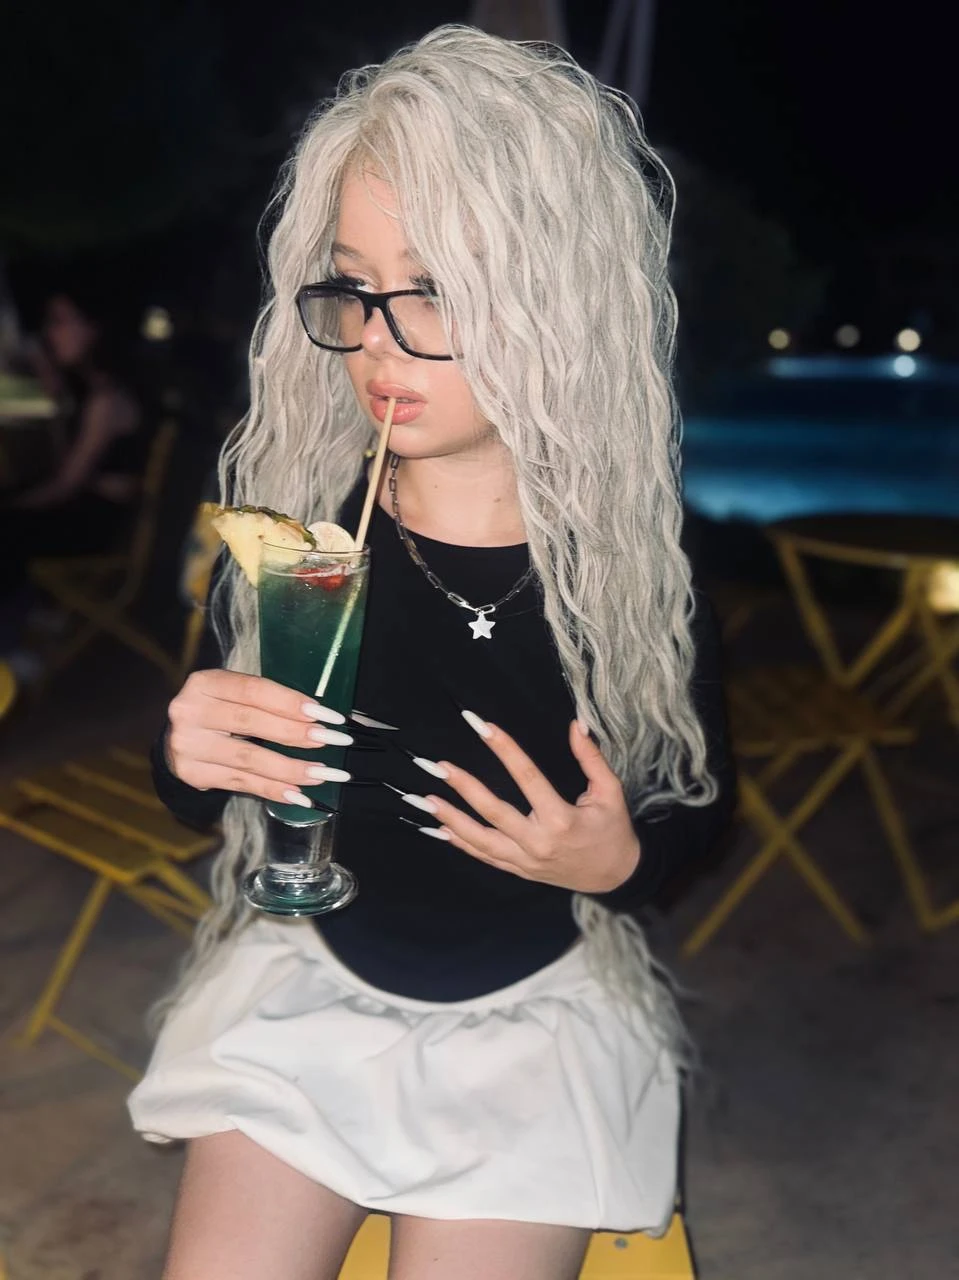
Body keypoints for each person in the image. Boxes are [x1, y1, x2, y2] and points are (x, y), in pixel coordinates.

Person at [129, 26, 735, 1280]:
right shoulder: (299, 542)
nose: (377, 340)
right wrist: (185, 750)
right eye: (355, 287)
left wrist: (619, 856)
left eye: (436, 291)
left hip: (535, 1016)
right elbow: (206, 789)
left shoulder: (626, 573)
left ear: (553, 298)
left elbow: (698, 801)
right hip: (306, 991)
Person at [0, 288, 152, 663]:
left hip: (100, 529)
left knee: (9, 529)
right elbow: (68, 471)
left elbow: (65, 483)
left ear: (94, 329)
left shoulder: (107, 399)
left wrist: (13, 505)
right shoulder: (93, 391)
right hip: (89, 512)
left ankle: (14, 651)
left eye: (60, 322)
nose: (51, 334)